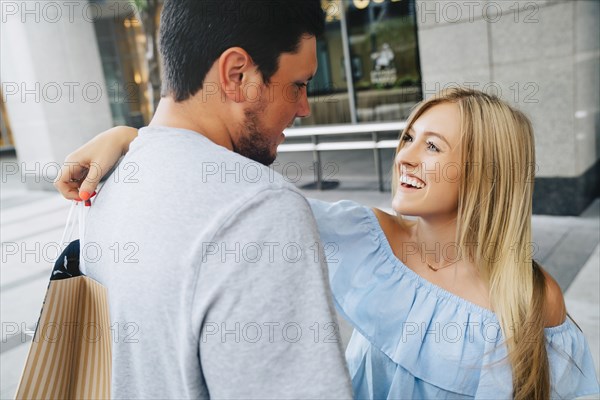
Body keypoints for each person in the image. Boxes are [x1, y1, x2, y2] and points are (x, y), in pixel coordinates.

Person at [57, 87, 600, 399]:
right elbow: (229, 196)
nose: (406, 156)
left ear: (487, 170)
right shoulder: (364, 238)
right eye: (408, 137)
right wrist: (133, 138)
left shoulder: (534, 299)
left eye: (432, 146)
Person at [53, 0, 353, 399]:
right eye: (298, 84)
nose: (304, 108)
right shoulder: (260, 210)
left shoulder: (110, 176)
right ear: (237, 74)